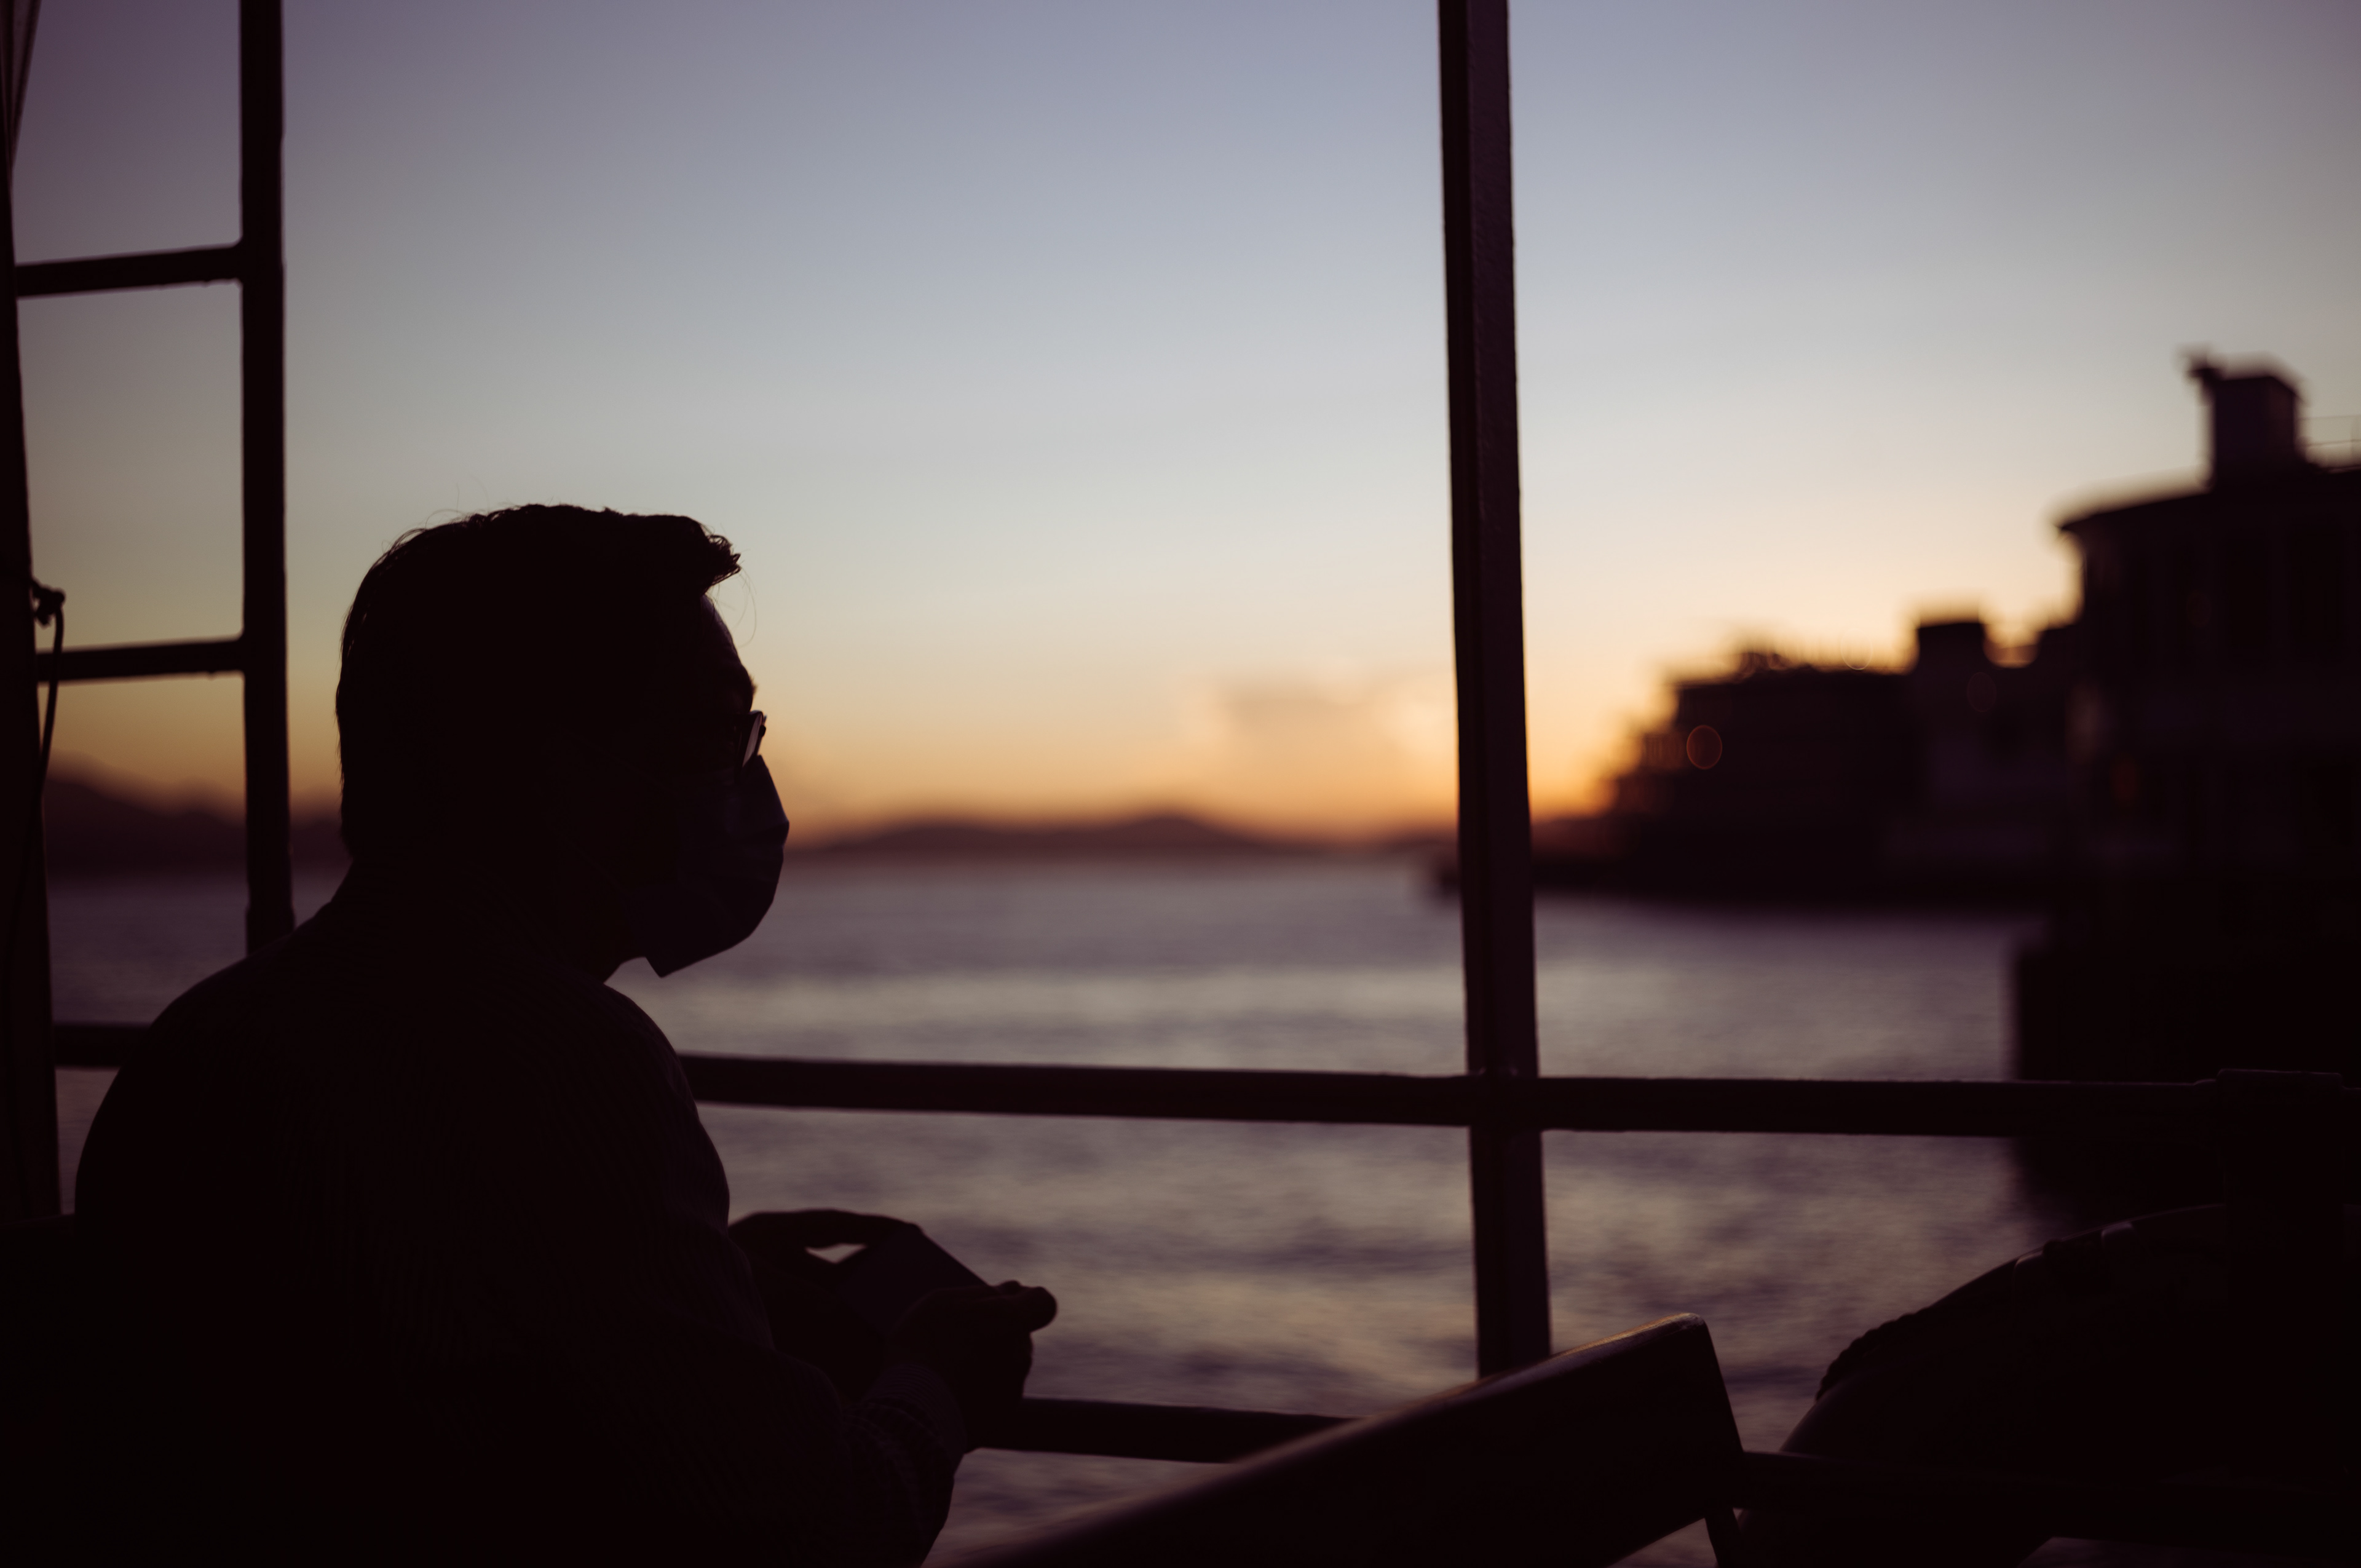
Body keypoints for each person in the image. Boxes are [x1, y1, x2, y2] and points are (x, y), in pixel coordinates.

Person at [72, 505, 1053, 1562]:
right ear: (558, 760)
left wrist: (700, 1280)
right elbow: (824, 1531)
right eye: (719, 729)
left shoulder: (192, 1048)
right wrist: (934, 1382)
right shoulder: (573, 1062)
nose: (747, 777)